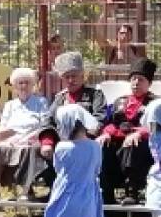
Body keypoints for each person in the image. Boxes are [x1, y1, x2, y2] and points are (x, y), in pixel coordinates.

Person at [34, 52, 108, 189]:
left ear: (82, 75)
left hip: (88, 141)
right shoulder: (60, 98)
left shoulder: (95, 94)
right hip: (63, 142)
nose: (70, 80)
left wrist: (84, 135)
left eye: (74, 76)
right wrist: (47, 142)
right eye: (66, 77)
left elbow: (100, 117)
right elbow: (48, 121)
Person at [0, 68, 48, 202]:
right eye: (20, 83)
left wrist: (30, 138)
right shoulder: (10, 105)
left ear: (33, 84)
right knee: (0, 149)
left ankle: (25, 191)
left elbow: (44, 125)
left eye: (27, 82)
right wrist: (8, 140)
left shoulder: (41, 102)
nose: (23, 86)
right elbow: (3, 127)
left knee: (28, 150)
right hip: (12, 140)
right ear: (15, 86)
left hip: (31, 140)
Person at [99, 58, 158, 206]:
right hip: (119, 140)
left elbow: (156, 125)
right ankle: (107, 192)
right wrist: (107, 133)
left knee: (133, 144)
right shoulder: (120, 101)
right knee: (104, 146)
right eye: (133, 79)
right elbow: (110, 122)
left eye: (141, 79)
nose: (136, 83)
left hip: (143, 144)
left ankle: (132, 191)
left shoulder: (155, 103)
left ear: (149, 83)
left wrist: (139, 133)